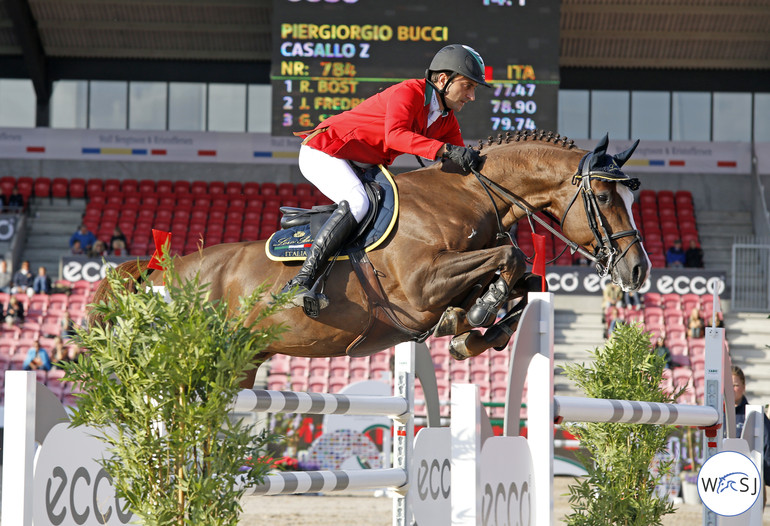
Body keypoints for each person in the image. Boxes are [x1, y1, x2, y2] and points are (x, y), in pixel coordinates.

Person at [280, 44, 490, 315]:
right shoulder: (409, 92)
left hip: (363, 164)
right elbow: (396, 136)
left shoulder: (446, 119)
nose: (472, 96)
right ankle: (301, 281)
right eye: (469, 86)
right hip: (325, 150)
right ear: (442, 80)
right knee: (358, 202)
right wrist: (446, 150)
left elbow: (457, 163)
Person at [732, 366, 770, 492]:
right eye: (729, 385)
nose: (732, 389)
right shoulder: (717, 415)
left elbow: (767, 444)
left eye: (735, 385)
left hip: (751, 478)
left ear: (744, 387)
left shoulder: (755, 415)